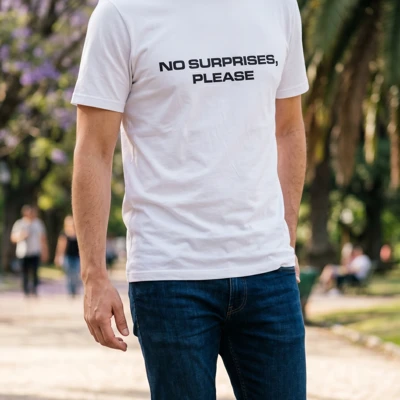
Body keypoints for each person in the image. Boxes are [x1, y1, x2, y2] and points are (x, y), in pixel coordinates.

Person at [72, 0, 309, 398]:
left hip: (269, 272)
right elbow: (93, 150)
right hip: (170, 277)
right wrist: (93, 275)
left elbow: (288, 128)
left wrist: (286, 236)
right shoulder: (120, 14)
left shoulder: (277, 6)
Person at [10, 205, 48, 296]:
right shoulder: (19, 224)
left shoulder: (38, 223)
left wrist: (45, 251)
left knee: (35, 272)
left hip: (35, 251)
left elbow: (43, 238)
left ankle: (34, 290)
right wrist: (22, 236)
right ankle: (26, 291)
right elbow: (13, 238)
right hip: (23, 253)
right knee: (24, 273)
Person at [55, 215, 81, 297]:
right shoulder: (64, 234)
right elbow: (60, 247)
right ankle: (70, 291)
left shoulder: (78, 233)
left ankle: (75, 289)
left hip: (77, 257)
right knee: (69, 274)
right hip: (67, 257)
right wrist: (58, 256)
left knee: (76, 273)